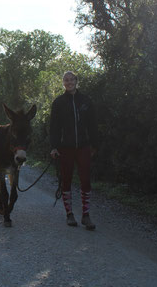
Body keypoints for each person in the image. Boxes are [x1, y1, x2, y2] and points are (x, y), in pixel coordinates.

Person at [50, 71, 99, 230]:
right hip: (65, 147)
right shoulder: (58, 102)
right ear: (63, 83)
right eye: (66, 80)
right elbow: (54, 127)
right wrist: (54, 146)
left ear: (76, 81)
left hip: (84, 146)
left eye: (71, 79)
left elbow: (93, 124)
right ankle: (69, 214)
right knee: (66, 180)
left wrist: (94, 144)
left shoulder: (86, 100)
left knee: (85, 180)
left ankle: (86, 215)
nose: (69, 82)